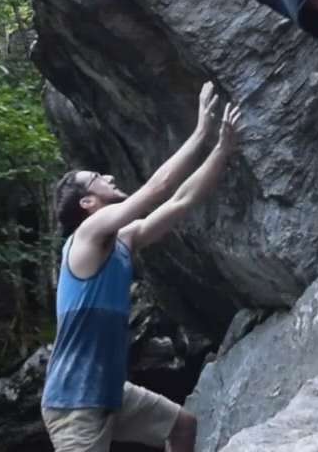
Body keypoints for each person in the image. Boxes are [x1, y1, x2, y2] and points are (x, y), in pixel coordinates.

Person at [41, 81, 242, 452]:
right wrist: (200, 132)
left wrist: (221, 149)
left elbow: (180, 202)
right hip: (74, 403)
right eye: (98, 179)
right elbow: (156, 189)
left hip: (109, 391)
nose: (109, 177)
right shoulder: (87, 236)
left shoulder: (123, 239)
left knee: (182, 427)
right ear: (87, 203)